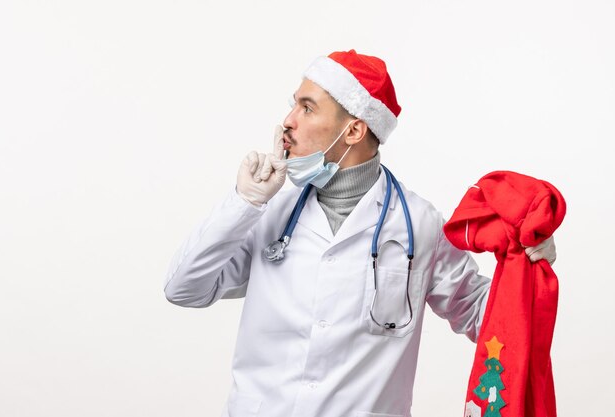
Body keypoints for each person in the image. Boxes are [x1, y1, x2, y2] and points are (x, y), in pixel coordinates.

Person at [164, 50, 556, 417]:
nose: (288, 120)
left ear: (353, 130)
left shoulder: (419, 224)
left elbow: (484, 316)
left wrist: (522, 258)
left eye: (306, 107)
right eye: (294, 104)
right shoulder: (270, 214)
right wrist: (244, 203)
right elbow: (184, 289)